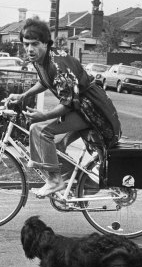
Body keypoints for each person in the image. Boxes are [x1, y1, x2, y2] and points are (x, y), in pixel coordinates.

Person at [7, 17, 121, 198]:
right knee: (55, 145)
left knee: (41, 130)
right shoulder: (41, 60)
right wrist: (23, 95)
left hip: (92, 111)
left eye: (35, 44)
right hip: (80, 109)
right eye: (26, 44)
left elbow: (68, 103)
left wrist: (43, 116)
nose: (29, 49)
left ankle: (55, 181)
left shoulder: (58, 64)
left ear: (46, 43)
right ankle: (87, 184)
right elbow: (45, 81)